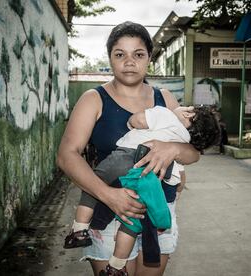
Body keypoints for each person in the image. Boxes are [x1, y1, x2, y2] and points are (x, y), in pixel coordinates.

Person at [56, 21, 200, 276]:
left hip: (157, 208)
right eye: (120, 54)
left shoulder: (164, 98)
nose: (129, 61)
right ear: (110, 58)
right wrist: (109, 195)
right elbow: (67, 155)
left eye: (138, 54)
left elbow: (192, 153)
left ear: (149, 58)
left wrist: (172, 149)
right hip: (109, 207)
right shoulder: (94, 99)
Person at [63, 105, 221, 275]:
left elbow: (136, 120)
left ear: (188, 113)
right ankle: (117, 266)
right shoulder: (184, 138)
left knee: (93, 183)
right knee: (131, 223)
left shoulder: (165, 113)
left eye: (187, 106)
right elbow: (183, 170)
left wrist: (136, 119)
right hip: (149, 181)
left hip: (127, 158)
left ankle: (79, 229)